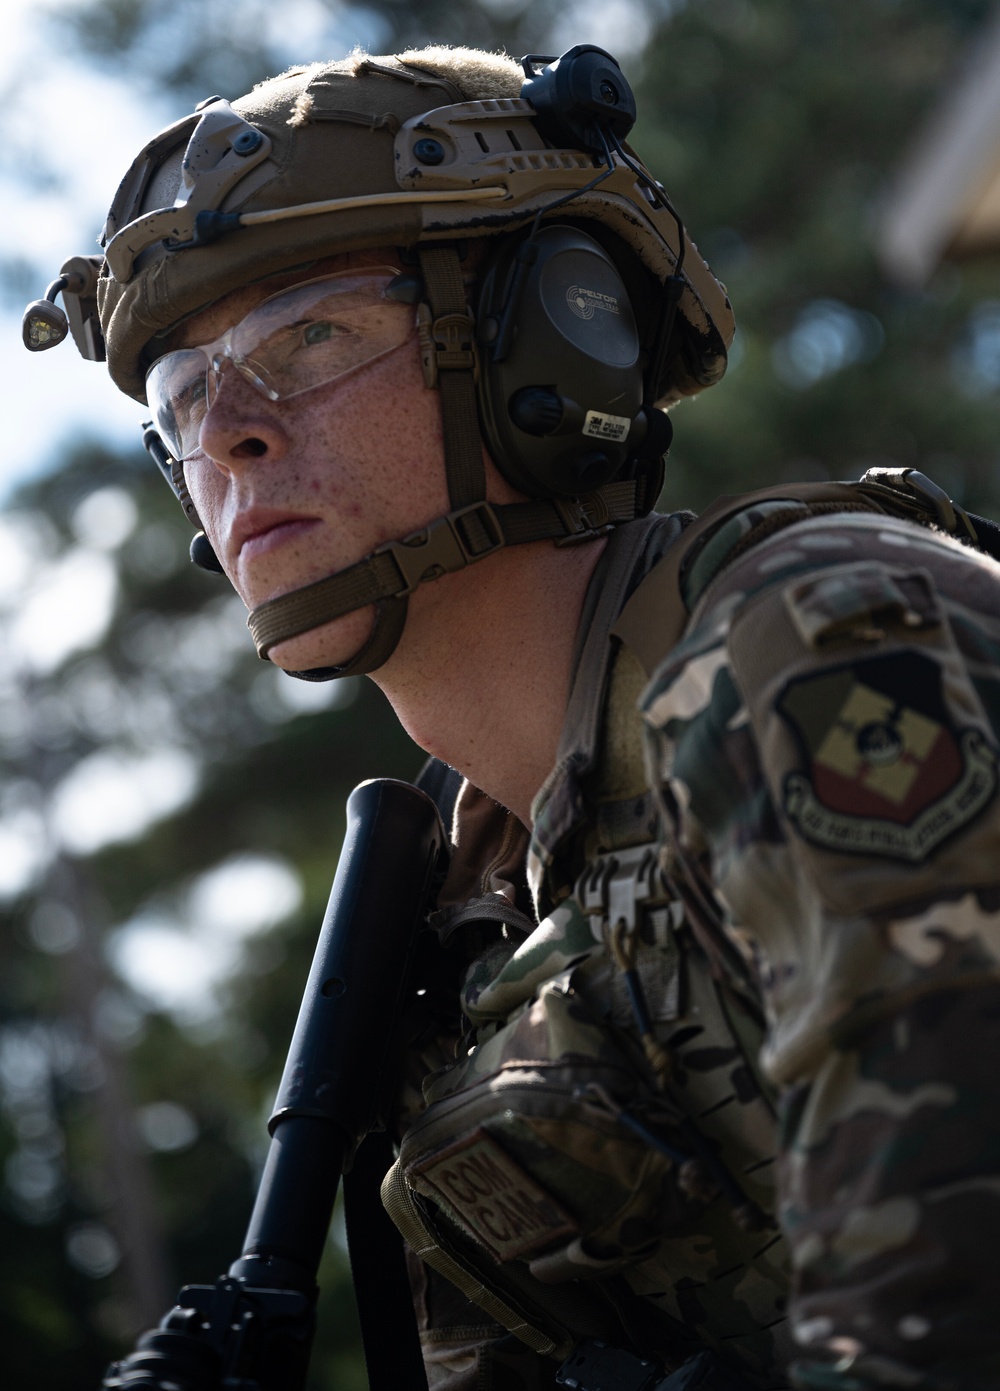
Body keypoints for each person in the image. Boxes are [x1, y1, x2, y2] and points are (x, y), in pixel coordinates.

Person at [24, 43, 1000, 1391]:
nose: (231, 436)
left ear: (554, 335)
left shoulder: (827, 649)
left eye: (307, 337)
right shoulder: (467, 909)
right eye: (186, 402)